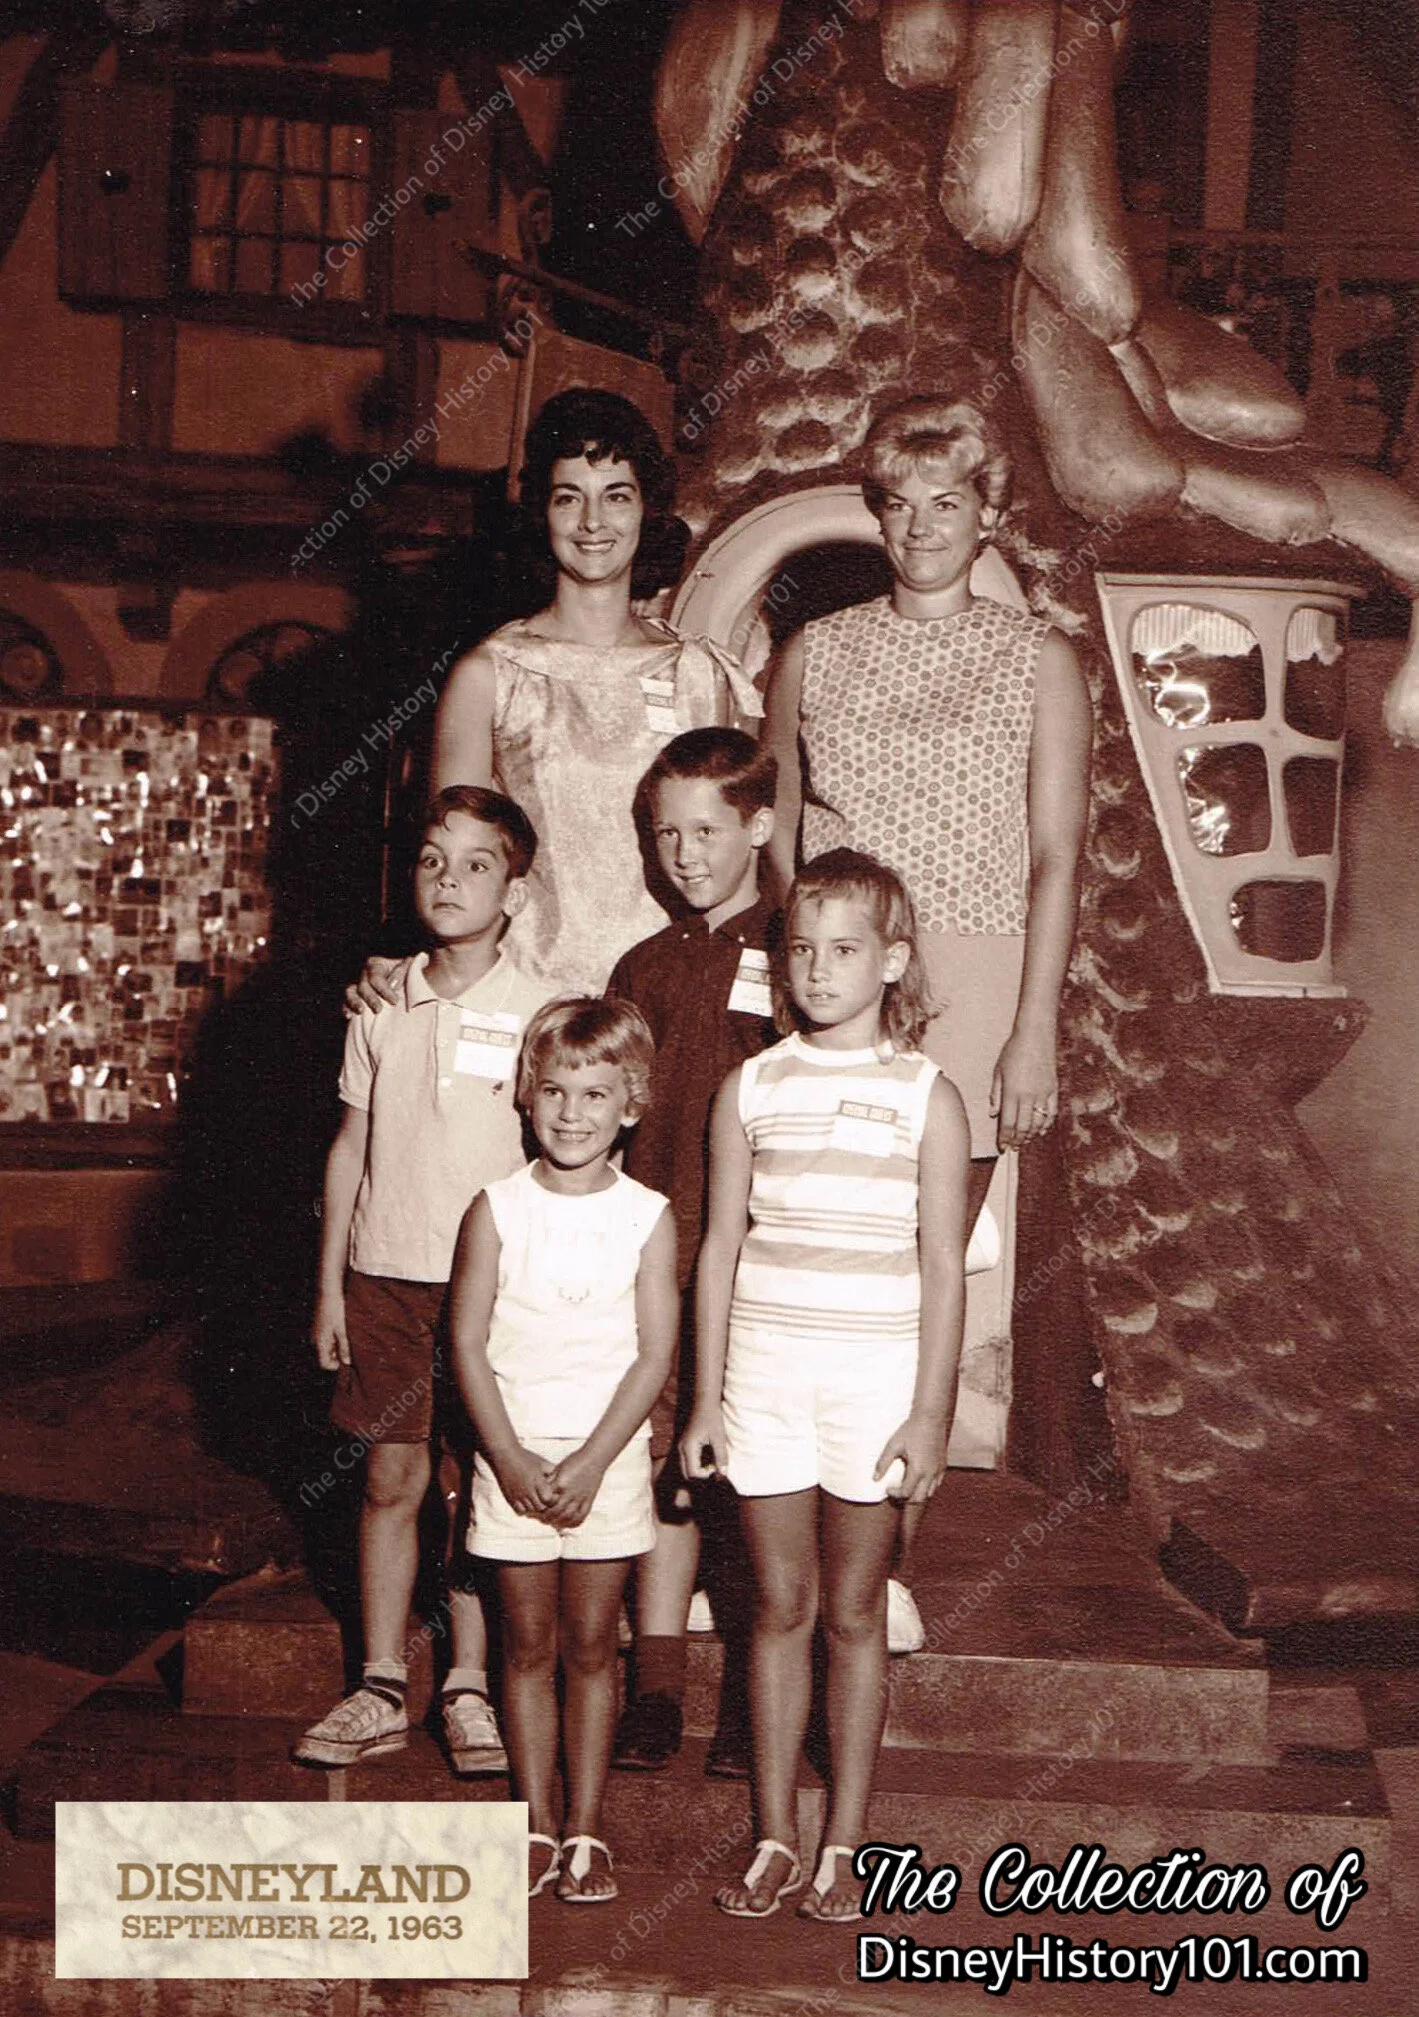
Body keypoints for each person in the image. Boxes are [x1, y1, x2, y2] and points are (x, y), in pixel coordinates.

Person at [760, 393, 1090, 1650]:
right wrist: (803, 975)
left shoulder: (1037, 657)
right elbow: (780, 840)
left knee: (925, 1276)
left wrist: (1033, 1028)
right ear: (876, 511)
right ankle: (796, 1566)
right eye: (899, 503)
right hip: (839, 975)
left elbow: (1057, 855)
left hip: (979, 982)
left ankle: (880, 1562)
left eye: (949, 502)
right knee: (817, 1255)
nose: (922, 527)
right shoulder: (819, 651)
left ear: (988, 514)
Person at [681, 850, 969, 1923]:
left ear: (892, 960)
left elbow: (945, 1267)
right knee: (776, 1608)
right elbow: (718, 1248)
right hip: (765, 1375)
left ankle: (845, 1839)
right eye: (800, 947)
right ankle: (774, 1835)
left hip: (874, 1380)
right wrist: (707, 1398)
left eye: (845, 948)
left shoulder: (924, 1097)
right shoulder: (749, 1086)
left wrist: (930, 1411)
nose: (817, 967)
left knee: (855, 1612)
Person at [294, 786, 553, 1776]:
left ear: (515, 891)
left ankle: (470, 1684)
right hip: (383, 1278)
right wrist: (329, 1286)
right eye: (433, 861)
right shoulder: (380, 999)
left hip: (491, 1290)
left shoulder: (543, 1009)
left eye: (477, 863)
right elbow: (351, 1145)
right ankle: (379, 1681)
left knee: (474, 1484)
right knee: (390, 1478)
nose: (449, 880)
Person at [356, 388, 759, 1012]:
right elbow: (456, 862)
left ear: (647, 509)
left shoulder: (701, 673)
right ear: (542, 515)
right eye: (569, 497)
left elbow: (741, 862)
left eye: (616, 496)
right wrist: (413, 975)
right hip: (531, 1001)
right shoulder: (491, 674)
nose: (593, 523)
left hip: (677, 997)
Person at [449, 996, 679, 1904]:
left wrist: (590, 1462)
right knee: (527, 1645)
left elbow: (654, 1352)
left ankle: (587, 1826)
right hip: (511, 1457)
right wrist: (504, 1457)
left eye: (594, 1093)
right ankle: (535, 1821)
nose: (571, 1112)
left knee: (592, 1645)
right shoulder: (496, 1209)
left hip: (606, 1461)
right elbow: (466, 1343)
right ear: (525, 1095)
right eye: (554, 1090)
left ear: (631, 1102)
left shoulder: (646, 1215)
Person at [605, 728, 779, 1779]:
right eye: (665, 831)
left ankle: (756, 1703)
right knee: (668, 1464)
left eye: (707, 829)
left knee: (750, 1476)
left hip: (761, 1260)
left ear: (757, 824)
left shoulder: (801, 945)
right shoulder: (642, 963)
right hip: (661, 1253)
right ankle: (657, 1685)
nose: (684, 852)